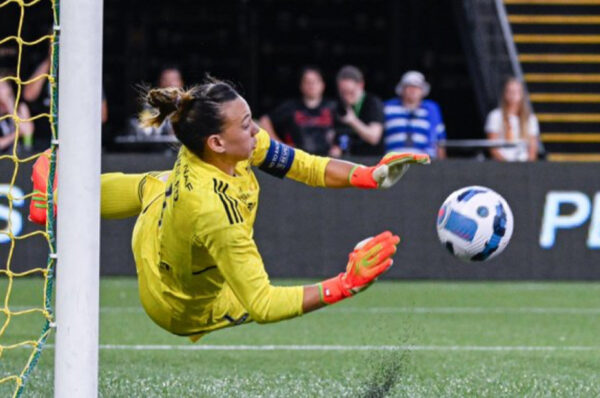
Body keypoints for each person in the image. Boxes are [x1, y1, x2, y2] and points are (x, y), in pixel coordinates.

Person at [30, 77, 430, 341]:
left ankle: (59, 199)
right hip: (176, 305)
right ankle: (61, 200)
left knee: (156, 184)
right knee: (246, 295)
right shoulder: (218, 214)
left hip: (157, 230)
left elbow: (302, 164)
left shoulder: (211, 143)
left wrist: (368, 174)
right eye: (246, 124)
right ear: (217, 144)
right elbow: (264, 304)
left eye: (251, 118)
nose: (256, 130)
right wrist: (343, 285)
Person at [24, 51, 107, 150]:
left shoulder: (86, 74)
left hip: (76, 142)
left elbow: (102, 116)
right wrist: (50, 60)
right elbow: (28, 95)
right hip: (44, 141)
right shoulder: (42, 67)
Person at [259, 67, 336, 156]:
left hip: (326, 160)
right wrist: (279, 145)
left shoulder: (332, 107)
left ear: (323, 85)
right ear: (301, 86)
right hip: (298, 160)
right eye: (307, 82)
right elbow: (265, 120)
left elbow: (344, 130)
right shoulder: (291, 107)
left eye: (315, 81)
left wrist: (338, 146)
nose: (311, 85)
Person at [383, 71, 446, 159]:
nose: (413, 90)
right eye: (409, 86)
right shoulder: (388, 109)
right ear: (402, 90)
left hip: (424, 163)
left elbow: (440, 144)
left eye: (417, 87)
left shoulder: (431, 112)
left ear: (423, 91)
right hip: (394, 161)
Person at [330, 66, 385, 157]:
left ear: (361, 85)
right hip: (347, 161)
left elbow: (374, 137)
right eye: (343, 92)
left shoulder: (372, 103)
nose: (346, 97)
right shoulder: (338, 104)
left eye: (351, 92)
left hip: (370, 161)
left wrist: (353, 121)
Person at [485, 77, 539, 162]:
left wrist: (529, 165)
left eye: (516, 91)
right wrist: (506, 164)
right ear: (504, 93)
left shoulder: (530, 118)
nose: (513, 95)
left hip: (523, 163)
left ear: (522, 94)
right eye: (510, 91)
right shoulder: (495, 116)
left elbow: (533, 147)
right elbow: (493, 146)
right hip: (501, 164)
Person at [130, 66, 185, 137]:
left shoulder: (189, 105)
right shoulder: (150, 105)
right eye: (166, 80)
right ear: (160, 83)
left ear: (181, 82)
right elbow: (144, 129)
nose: (170, 84)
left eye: (173, 80)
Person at [0, 76, 34, 153]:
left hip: (22, 155)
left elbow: (28, 132)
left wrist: (10, 105)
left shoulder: (21, 107)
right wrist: (17, 133)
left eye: (2, 86)